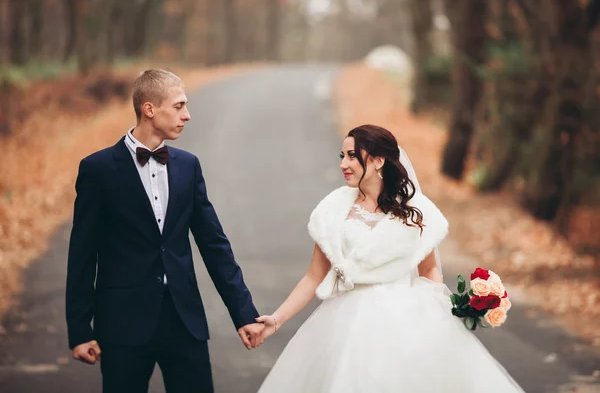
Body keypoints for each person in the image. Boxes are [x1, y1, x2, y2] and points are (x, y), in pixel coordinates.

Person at [255, 124, 524, 392]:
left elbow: (429, 270)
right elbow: (314, 276)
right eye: (342, 156)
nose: (343, 164)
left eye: (352, 156)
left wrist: (433, 312)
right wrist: (276, 320)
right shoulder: (333, 210)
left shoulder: (413, 212)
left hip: (404, 319)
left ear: (378, 160)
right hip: (345, 321)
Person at [65, 68, 264, 393]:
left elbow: (214, 245)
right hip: (122, 325)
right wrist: (79, 329)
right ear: (149, 109)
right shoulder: (98, 170)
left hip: (184, 321)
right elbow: (82, 254)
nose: (187, 115)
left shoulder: (188, 166)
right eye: (179, 106)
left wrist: (243, 313)